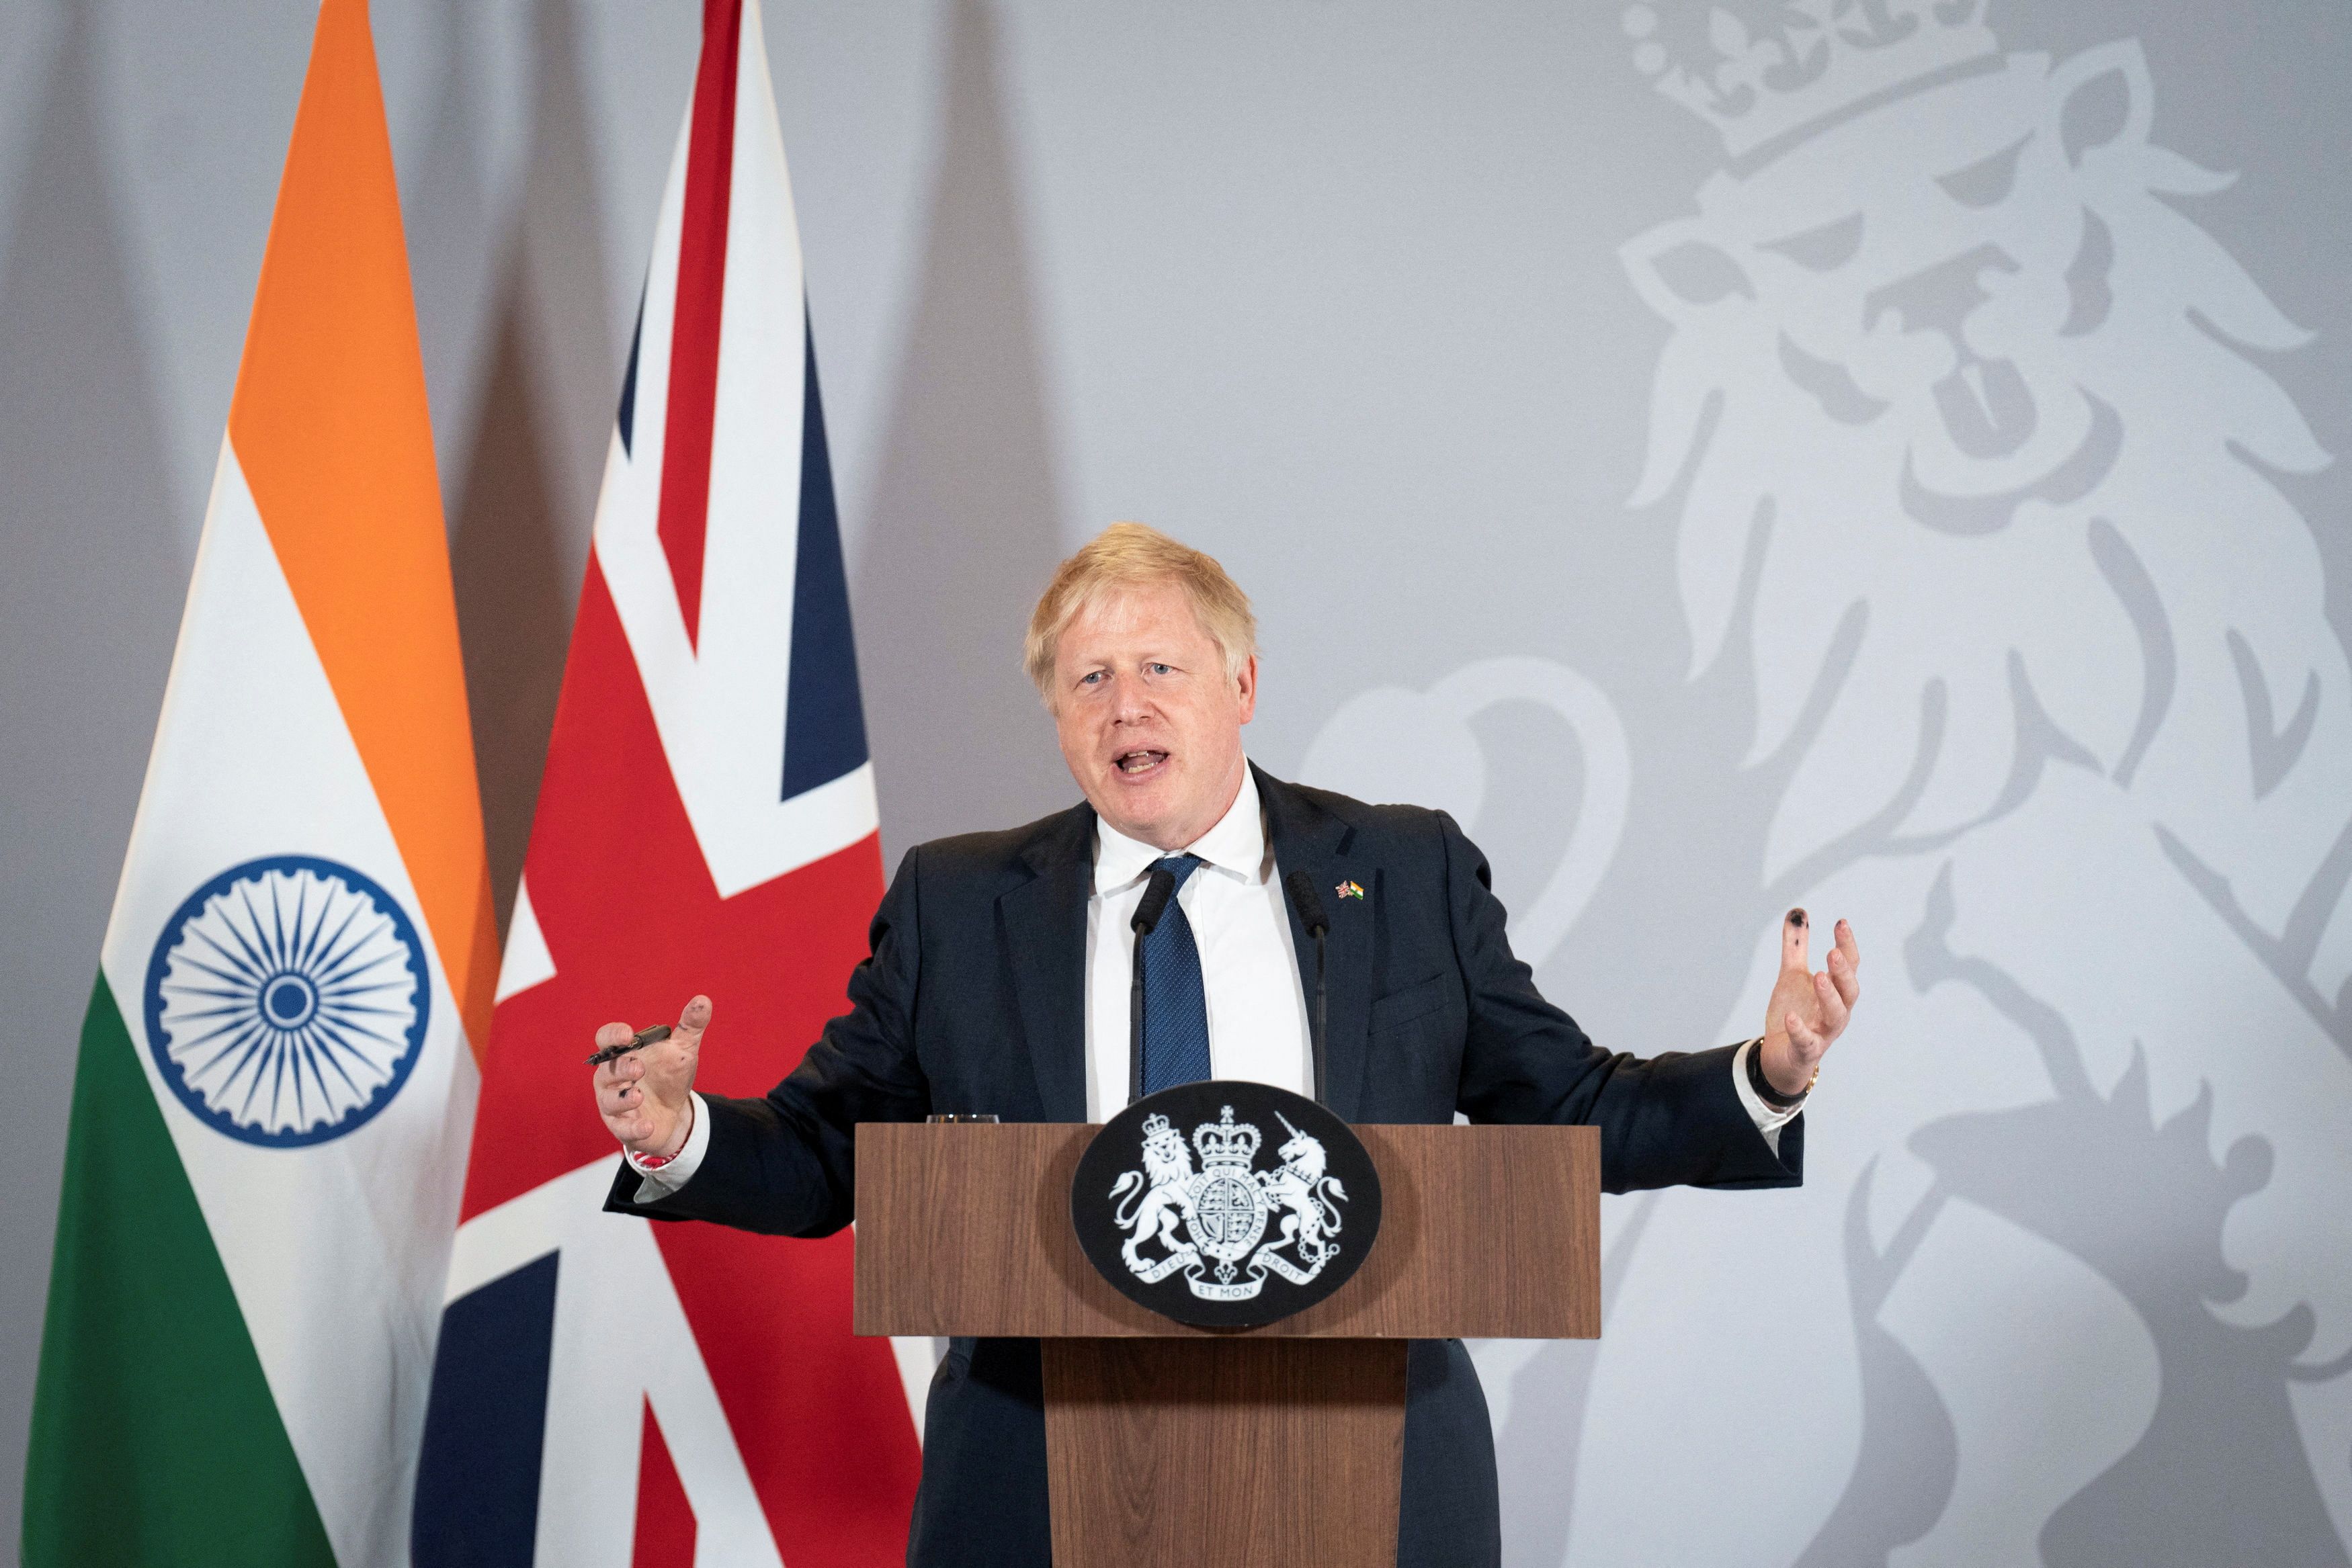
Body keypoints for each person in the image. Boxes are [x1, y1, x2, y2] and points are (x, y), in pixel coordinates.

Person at [591, 522, 1861, 1567]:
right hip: (1036, 1471)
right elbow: (827, 1150)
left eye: (1160, 667)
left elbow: (1569, 1108)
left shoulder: (1402, 872)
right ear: (1056, 716)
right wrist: (680, 1133)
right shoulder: (959, 903)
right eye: (1089, 680)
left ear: (1242, 686)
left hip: (1371, 1465)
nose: (1125, 706)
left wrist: (1765, 1077)